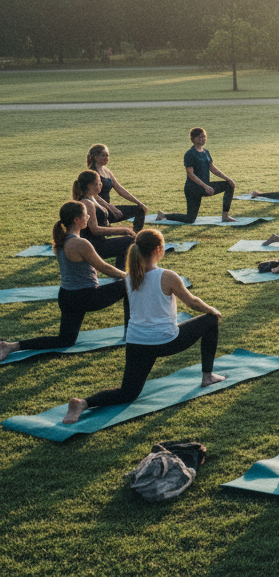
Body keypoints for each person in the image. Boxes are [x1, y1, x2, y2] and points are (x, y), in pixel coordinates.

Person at [61, 229, 225, 425]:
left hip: (136, 343)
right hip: (166, 341)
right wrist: (213, 310)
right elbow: (192, 302)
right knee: (210, 320)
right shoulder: (167, 275)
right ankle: (207, 376)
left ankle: (83, 403)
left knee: (127, 393)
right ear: (158, 249)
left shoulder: (130, 277)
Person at [0, 202, 128, 361]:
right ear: (76, 219)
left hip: (67, 297)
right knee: (129, 285)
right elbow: (103, 267)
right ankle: (131, 334)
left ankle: (11, 346)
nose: (88, 217)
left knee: (65, 340)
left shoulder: (61, 241)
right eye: (85, 215)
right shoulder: (79, 243)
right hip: (85, 297)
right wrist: (127, 276)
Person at [157, 127, 236, 224]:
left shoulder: (206, 152)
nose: (202, 140)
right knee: (190, 219)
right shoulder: (190, 154)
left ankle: (225, 216)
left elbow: (212, 168)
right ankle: (163, 216)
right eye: (199, 138)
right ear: (192, 139)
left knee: (229, 185)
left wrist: (228, 178)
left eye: (204, 137)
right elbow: (190, 174)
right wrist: (205, 186)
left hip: (204, 186)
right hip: (193, 189)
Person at [74, 171, 135, 269]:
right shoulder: (87, 202)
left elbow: (113, 213)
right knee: (130, 241)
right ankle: (122, 273)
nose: (101, 185)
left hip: (100, 241)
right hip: (93, 245)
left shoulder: (93, 198)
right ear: (90, 185)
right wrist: (123, 230)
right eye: (98, 183)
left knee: (129, 242)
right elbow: (95, 229)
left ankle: (121, 272)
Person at [87, 144, 147, 231]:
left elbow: (119, 189)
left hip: (108, 209)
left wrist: (139, 203)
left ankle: (135, 238)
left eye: (107, 155)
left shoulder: (106, 170)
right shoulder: (91, 173)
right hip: (98, 211)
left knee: (139, 210)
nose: (106, 158)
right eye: (103, 155)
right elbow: (92, 195)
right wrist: (109, 207)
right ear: (95, 156)